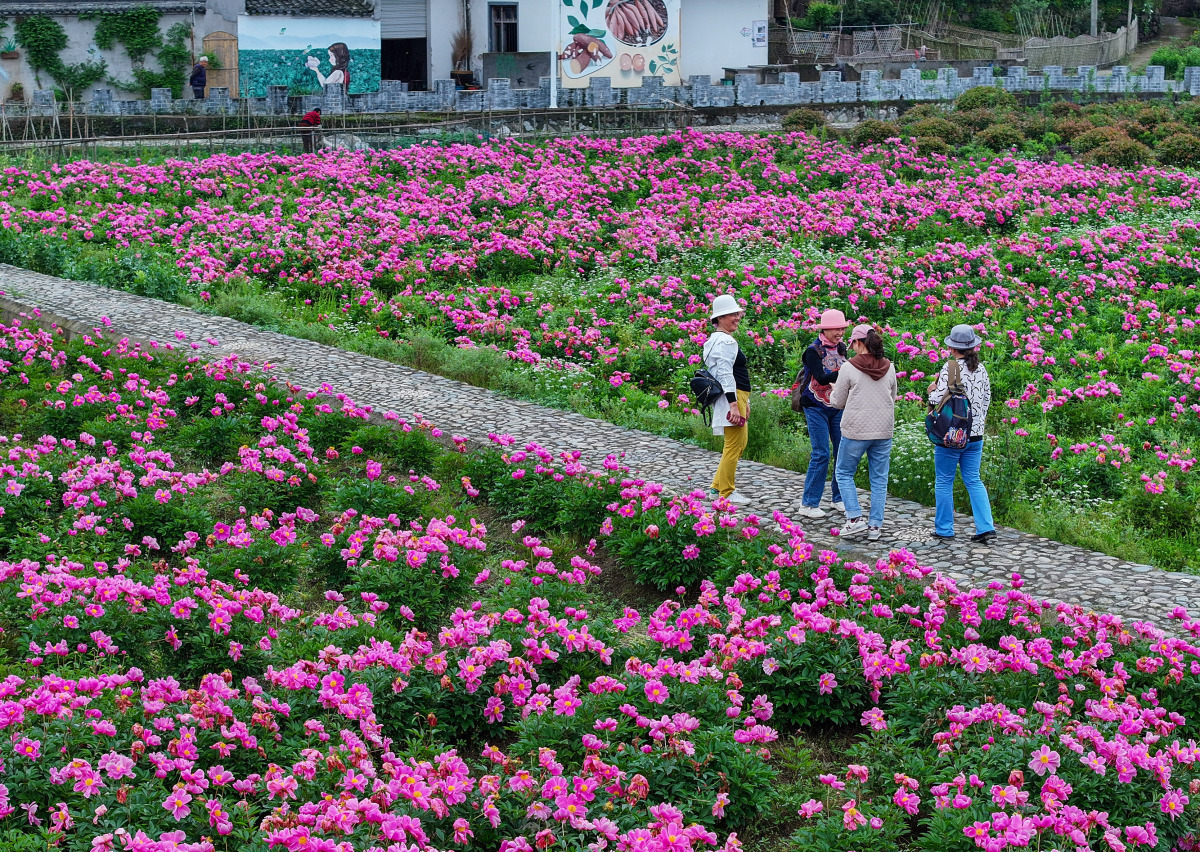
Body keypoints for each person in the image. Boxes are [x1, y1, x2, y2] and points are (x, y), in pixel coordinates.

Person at [927, 324, 996, 544]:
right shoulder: (982, 369)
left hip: (952, 435)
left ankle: (945, 529)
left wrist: (930, 391)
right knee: (974, 480)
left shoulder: (951, 367)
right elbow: (986, 400)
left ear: (951, 347)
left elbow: (937, 399)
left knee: (945, 480)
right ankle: (986, 527)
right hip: (975, 435)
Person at [830, 325, 898, 540]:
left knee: (843, 472)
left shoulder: (849, 368)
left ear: (859, 343)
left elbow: (838, 402)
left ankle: (854, 519)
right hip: (883, 429)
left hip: (856, 430)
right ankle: (875, 527)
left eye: (852, 343)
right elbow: (893, 396)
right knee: (879, 479)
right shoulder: (890, 367)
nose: (851, 347)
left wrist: (833, 391)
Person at [795, 308, 849, 519]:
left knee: (842, 451)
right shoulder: (812, 351)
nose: (840, 333)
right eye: (836, 329)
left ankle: (838, 498)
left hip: (837, 405)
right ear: (825, 329)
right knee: (821, 453)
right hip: (815, 405)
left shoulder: (842, 348)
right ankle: (808, 504)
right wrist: (847, 370)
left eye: (842, 328)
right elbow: (821, 376)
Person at [704, 294, 751, 504]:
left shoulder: (715, 340)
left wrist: (745, 402)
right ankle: (726, 491)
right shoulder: (725, 341)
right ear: (720, 318)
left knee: (736, 444)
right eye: (732, 314)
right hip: (732, 397)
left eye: (737, 313)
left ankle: (716, 488)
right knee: (734, 445)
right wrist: (734, 404)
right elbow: (725, 373)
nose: (737, 317)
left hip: (736, 396)